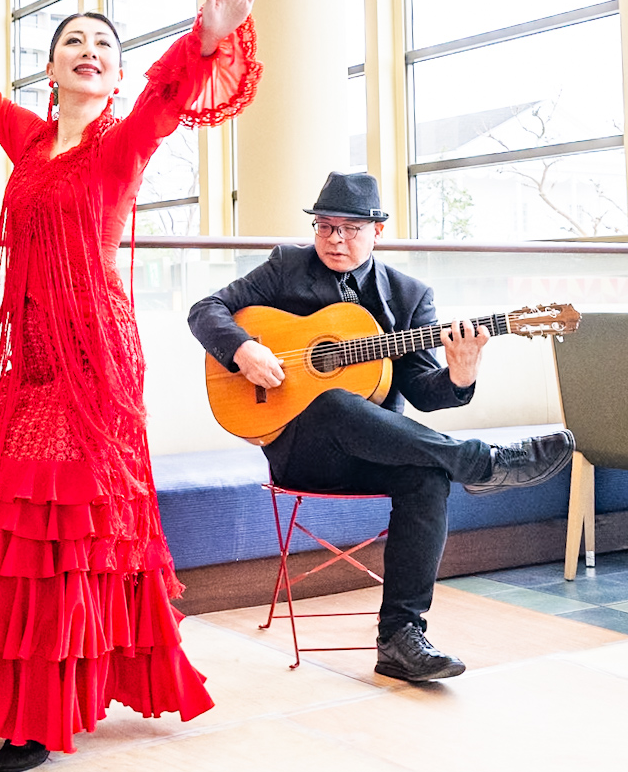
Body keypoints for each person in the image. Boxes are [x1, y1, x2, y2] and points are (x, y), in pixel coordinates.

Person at [0, 0, 265, 772]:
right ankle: (39, 692)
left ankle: (38, 714)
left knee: (57, 526)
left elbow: (165, 105)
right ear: (52, 70)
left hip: (93, 361)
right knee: (4, 513)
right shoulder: (28, 140)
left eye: (103, 45)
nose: (89, 51)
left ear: (116, 75)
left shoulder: (120, 144)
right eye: (73, 43)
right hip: (30, 363)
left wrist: (205, 40)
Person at [187, 171, 575, 683]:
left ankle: (399, 638)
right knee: (332, 402)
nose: (335, 240)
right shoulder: (286, 267)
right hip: (301, 449)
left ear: (378, 231)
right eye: (325, 227)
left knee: (427, 476)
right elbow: (205, 310)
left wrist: (461, 374)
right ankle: (483, 463)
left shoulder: (409, 297)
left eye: (349, 229)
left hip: (376, 451)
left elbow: (424, 393)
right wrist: (243, 348)